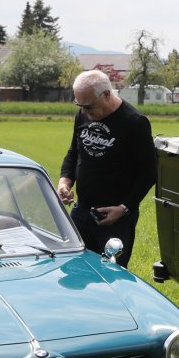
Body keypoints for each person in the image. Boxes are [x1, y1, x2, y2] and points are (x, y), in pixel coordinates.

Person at [57, 70, 157, 268]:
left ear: (107, 94)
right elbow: (74, 153)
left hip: (115, 218)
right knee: (73, 270)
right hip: (81, 211)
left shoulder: (134, 122)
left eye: (88, 106)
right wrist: (64, 182)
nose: (84, 112)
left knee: (111, 275)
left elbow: (149, 172)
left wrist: (124, 208)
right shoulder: (83, 114)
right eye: (79, 106)